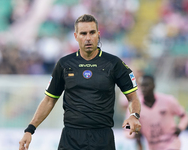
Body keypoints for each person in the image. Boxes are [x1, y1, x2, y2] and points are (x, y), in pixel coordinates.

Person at [19, 14, 141, 150]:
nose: (88, 38)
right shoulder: (64, 64)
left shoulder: (113, 63)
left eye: (92, 33)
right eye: (83, 33)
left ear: (98, 34)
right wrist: (30, 129)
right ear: (76, 36)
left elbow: (133, 98)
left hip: (102, 138)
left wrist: (134, 115)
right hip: (71, 138)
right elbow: (49, 100)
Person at [124, 75, 188, 150]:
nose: (144, 89)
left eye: (146, 85)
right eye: (142, 86)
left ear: (153, 86)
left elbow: (184, 116)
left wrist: (180, 127)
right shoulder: (134, 107)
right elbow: (127, 129)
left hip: (171, 142)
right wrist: (134, 134)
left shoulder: (168, 101)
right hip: (153, 146)